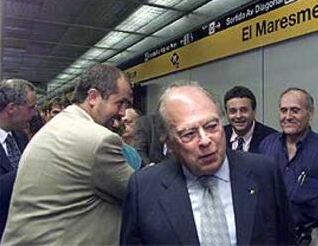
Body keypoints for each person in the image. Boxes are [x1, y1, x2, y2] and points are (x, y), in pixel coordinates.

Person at [120, 81, 295, 245]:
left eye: (212, 126)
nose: (205, 140)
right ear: (168, 142)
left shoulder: (264, 172)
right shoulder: (144, 189)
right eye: (188, 134)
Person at [1, 64, 134, 245]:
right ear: (93, 97)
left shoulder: (61, 125)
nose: (122, 112)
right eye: (120, 102)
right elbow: (137, 192)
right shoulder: (97, 139)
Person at [259, 87, 318, 246]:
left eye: (295, 110)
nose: (288, 117)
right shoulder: (266, 146)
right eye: (283, 110)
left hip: (310, 239)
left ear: (310, 113)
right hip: (271, 236)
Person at [0, 79, 37, 241]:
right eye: (31, 108)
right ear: (12, 108)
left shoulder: (20, 137)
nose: (35, 113)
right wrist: (26, 169)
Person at [224, 86, 276, 153]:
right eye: (233, 111)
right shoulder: (219, 136)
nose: (238, 116)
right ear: (226, 113)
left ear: (254, 111)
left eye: (243, 110)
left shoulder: (271, 139)